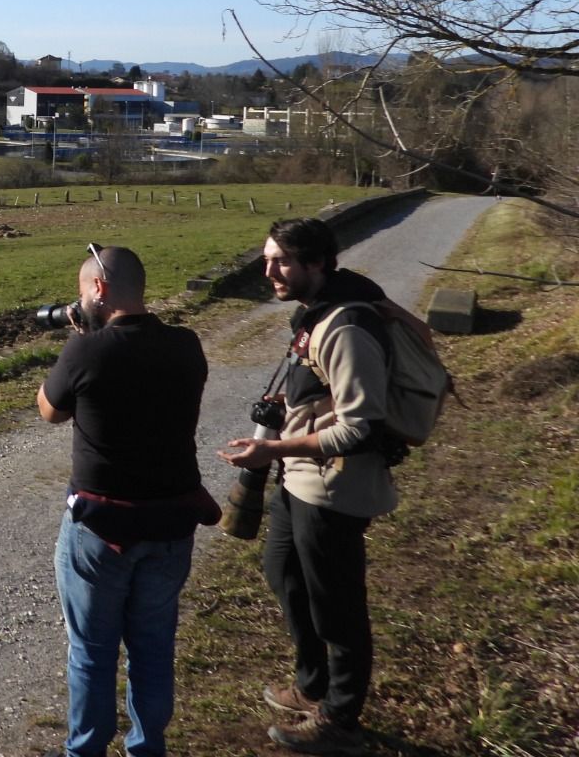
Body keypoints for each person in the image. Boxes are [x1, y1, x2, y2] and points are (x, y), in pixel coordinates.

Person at [219, 218, 401, 756]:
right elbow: (322, 394)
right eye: (267, 257)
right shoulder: (316, 316)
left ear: (317, 264)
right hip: (301, 477)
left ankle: (341, 719)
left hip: (335, 487)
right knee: (283, 572)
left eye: (281, 260)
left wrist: (271, 448)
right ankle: (312, 684)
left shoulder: (344, 326)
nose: (268, 269)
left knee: (336, 603)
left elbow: (361, 426)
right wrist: (289, 411)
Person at [37, 244, 214, 757]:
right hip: (171, 524)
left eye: (82, 288)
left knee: (92, 654)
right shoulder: (187, 344)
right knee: (153, 649)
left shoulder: (86, 351)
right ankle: (146, 747)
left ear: (99, 288)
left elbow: (50, 410)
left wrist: (80, 344)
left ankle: (85, 750)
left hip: (100, 530)